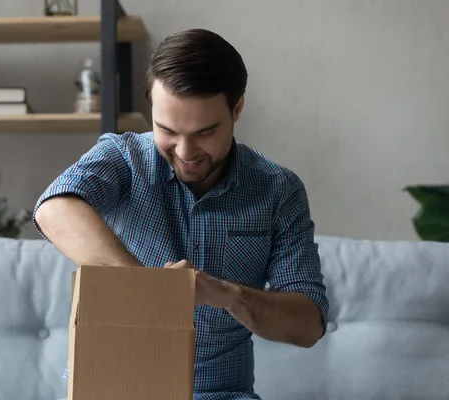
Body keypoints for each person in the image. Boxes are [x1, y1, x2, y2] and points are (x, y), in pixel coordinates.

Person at [33, 28, 329, 400]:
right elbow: (54, 208)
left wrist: (227, 295)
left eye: (205, 132)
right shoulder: (123, 157)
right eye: (167, 130)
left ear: (237, 109)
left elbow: (308, 325)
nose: (186, 151)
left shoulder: (278, 190)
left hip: (224, 393)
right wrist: (154, 292)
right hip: (112, 387)